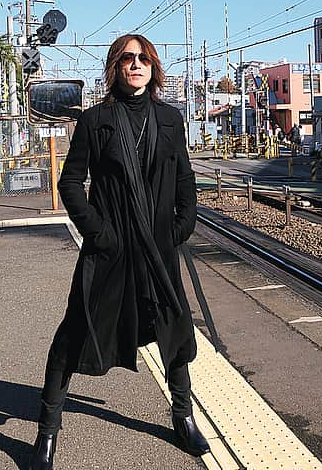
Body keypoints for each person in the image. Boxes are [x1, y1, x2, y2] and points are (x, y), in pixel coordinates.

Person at [29, 34, 209, 470]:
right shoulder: (95, 121)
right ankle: (46, 434)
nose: (136, 64)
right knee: (75, 332)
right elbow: (70, 183)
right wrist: (98, 232)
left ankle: (182, 417)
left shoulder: (170, 119)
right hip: (110, 251)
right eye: (127, 58)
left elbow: (185, 179)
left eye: (144, 58)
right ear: (115, 67)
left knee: (173, 329)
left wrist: (183, 225)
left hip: (157, 249)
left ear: (154, 67)